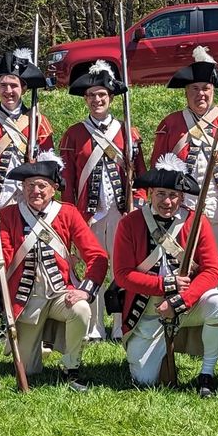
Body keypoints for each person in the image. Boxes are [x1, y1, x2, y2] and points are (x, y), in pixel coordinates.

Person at [150, 46, 218, 346]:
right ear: (186, 92)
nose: (201, 94)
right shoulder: (171, 124)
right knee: (181, 269)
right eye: (195, 89)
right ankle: (180, 321)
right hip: (182, 211)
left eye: (207, 89)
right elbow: (158, 166)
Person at [0, 152, 108, 392]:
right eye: (29, 186)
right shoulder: (8, 215)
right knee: (29, 370)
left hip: (61, 294)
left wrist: (86, 291)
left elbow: (97, 256)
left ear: (53, 188)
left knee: (80, 309)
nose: (35, 191)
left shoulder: (67, 213)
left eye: (41, 185)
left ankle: (72, 366)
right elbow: (0, 262)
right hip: (26, 301)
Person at [112, 154, 218, 397]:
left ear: (182, 197)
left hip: (187, 304)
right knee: (144, 381)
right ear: (150, 193)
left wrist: (179, 301)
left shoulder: (196, 222)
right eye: (161, 194)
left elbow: (211, 271)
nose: (168, 201)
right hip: (148, 309)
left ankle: (206, 375)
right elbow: (123, 275)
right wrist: (165, 284)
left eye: (174, 195)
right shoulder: (130, 224)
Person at [59, 60, 146, 341]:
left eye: (102, 95)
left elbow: (140, 173)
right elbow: (68, 180)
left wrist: (139, 200)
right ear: (85, 99)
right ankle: (93, 326)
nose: (97, 100)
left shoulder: (128, 131)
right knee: (92, 267)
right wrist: (71, 213)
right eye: (92, 95)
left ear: (110, 98)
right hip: (89, 214)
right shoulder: (74, 134)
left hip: (123, 212)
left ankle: (122, 324)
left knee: (123, 268)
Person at [0, 49, 55, 216]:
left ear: (24, 88)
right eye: (3, 85)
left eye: (14, 85)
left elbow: (49, 165)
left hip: (31, 197)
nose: (8, 91)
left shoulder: (38, 122)